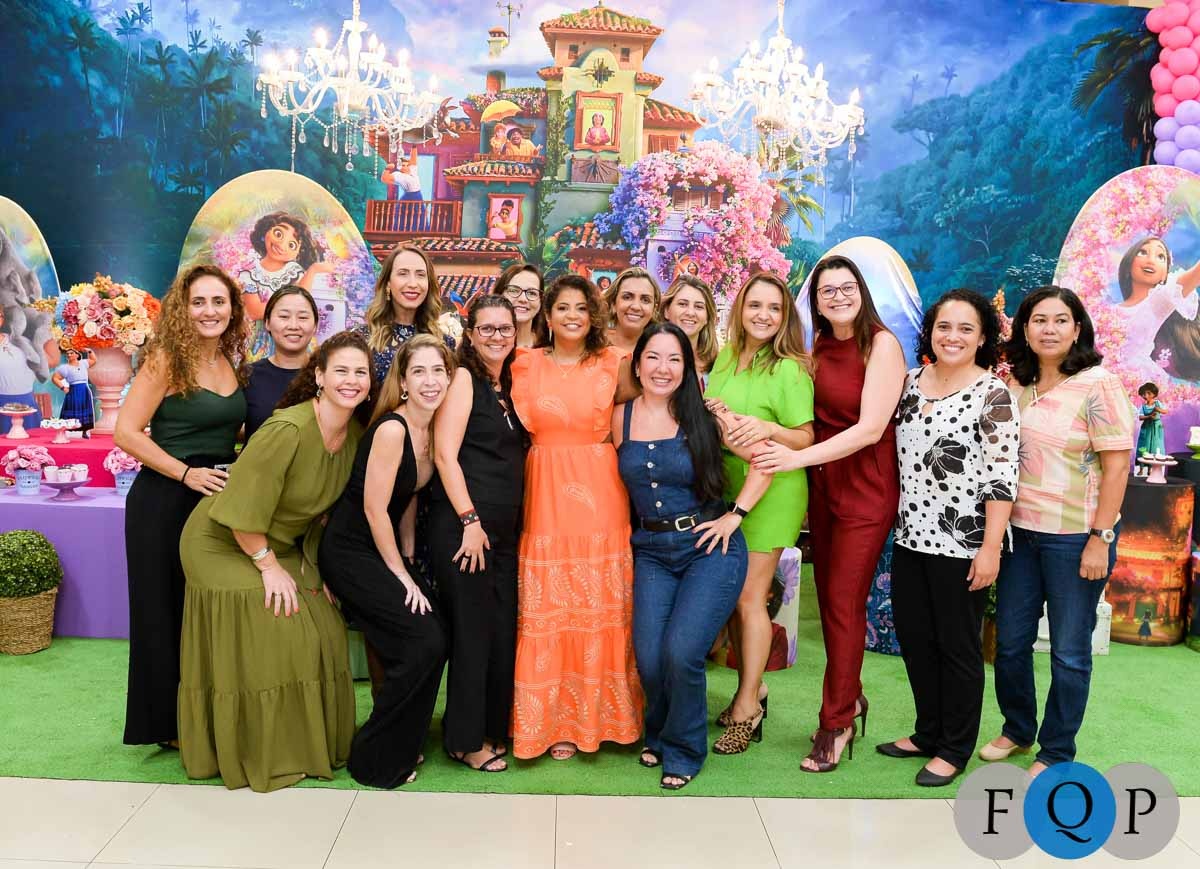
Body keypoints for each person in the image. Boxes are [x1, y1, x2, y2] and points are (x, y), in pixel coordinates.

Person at [177, 331, 373, 791]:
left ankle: (310, 745)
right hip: (223, 541)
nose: (351, 380)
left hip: (283, 544)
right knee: (278, 618)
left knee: (325, 624)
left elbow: (323, 518)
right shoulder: (287, 430)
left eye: (360, 372)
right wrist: (267, 567)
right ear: (319, 376)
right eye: (341, 370)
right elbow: (241, 510)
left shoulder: (354, 436)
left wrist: (317, 571)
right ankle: (265, 752)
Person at [752, 256, 906, 773]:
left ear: (862, 292)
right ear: (814, 301)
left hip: (866, 488)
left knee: (843, 603)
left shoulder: (881, 345)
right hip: (823, 486)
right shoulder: (816, 347)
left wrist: (794, 459)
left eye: (847, 287)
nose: (838, 296)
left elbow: (869, 429)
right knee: (831, 598)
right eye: (827, 290)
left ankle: (835, 722)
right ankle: (851, 697)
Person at [979, 286, 1133, 779]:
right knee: (1010, 644)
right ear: (1024, 329)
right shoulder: (1017, 385)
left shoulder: (1098, 385)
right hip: (1020, 535)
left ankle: (1056, 751)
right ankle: (1018, 729)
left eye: (1060, 320)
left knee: (1068, 652)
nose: (1049, 329)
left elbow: (1117, 468)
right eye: (1039, 320)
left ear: (1077, 328)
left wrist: (1100, 538)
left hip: (1075, 538)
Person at [614, 322, 769, 789]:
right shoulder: (619, 418)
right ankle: (659, 734)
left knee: (682, 652)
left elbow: (764, 460)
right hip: (651, 552)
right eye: (653, 357)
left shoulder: (708, 416)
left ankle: (683, 751)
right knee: (650, 657)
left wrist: (735, 516)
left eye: (674, 359)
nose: (662, 368)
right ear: (637, 364)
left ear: (687, 367)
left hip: (709, 548)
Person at [876, 289, 1019, 788]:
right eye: (943, 326)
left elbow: (1002, 476)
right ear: (930, 332)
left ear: (982, 338)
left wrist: (990, 549)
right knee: (916, 640)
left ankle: (954, 748)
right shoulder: (909, 383)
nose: (952, 336)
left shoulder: (993, 394)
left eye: (965, 328)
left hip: (965, 543)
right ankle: (928, 732)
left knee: (958, 648)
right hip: (910, 537)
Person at [114, 265, 249, 748]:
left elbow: (226, 426)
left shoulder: (232, 359)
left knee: (202, 612)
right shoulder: (165, 359)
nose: (209, 311)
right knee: (162, 611)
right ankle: (165, 726)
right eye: (199, 302)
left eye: (219, 301)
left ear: (233, 309)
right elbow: (126, 432)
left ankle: (201, 715)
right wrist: (186, 473)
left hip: (213, 500)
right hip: (164, 499)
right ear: (182, 309)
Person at [509, 274, 642, 760]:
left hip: (600, 491)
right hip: (544, 491)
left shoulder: (613, 363)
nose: (572, 316)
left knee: (599, 603)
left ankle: (605, 720)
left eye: (581, 308)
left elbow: (648, 408)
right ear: (547, 315)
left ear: (593, 316)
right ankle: (553, 724)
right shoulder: (524, 363)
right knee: (550, 605)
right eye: (562, 307)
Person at [320, 334, 453, 788]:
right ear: (403, 382)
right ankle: (374, 757)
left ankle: (403, 742)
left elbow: (407, 497)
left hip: (385, 548)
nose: (430, 381)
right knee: (424, 642)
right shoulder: (394, 429)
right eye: (419, 372)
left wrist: (410, 557)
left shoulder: (432, 428)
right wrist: (402, 576)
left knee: (436, 637)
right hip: (350, 551)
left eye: (438, 371)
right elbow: (375, 509)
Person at [702, 272, 815, 757]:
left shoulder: (790, 369)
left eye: (774, 307)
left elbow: (806, 436)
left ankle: (748, 704)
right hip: (728, 486)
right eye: (755, 305)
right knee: (730, 598)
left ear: (785, 316)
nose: (763, 315)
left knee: (750, 597)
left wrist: (768, 427)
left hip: (774, 490)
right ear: (740, 310)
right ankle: (755, 688)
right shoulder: (726, 356)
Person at [431, 296, 527, 772]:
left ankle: (490, 727)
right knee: (472, 634)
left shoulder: (509, 382)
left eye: (504, 328)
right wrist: (470, 521)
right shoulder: (464, 379)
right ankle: (465, 741)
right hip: (466, 528)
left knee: (499, 631)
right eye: (486, 328)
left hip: (504, 533)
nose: (496, 336)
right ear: (470, 335)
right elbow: (444, 454)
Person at [237, 211, 333, 359]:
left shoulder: (294, 272)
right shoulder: (249, 274)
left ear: (298, 253)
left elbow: (301, 300)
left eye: (291, 245)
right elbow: (254, 311)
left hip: (293, 337)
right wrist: (288, 303)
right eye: (278, 234)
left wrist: (312, 270)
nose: (282, 245)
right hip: (263, 341)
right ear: (266, 231)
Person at [357, 244, 451, 384]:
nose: (413, 284)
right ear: (388, 283)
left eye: (420, 275)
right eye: (403, 274)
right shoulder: (363, 340)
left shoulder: (444, 343)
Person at [243, 285, 318, 443]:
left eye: (303, 317)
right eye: (284, 316)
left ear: (315, 326)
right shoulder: (247, 375)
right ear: (267, 323)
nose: (293, 325)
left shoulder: (326, 377)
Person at [661, 274, 719, 381]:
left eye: (698, 307)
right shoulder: (648, 359)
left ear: (707, 317)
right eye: (682, 304)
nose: (690, 313)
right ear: (666, 311)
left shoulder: (719, 365)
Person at [0, 307, 46, 432]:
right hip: (1, 405)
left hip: (27, 404)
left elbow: (43, 365)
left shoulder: (22, 341)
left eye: (0, 315)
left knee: (30, 442)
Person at [605, 267, 660, 358]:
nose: (636, 307)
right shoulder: (592, 346)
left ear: (654, 309)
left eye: (645, 300)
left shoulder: (662, 351)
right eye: (627, 297)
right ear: (613, 304)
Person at [492, 262, 544, 349]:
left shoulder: (552, 348)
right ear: (499, 295)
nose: (523, 299)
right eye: (514, 291)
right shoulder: (482, 346)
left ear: (540, 301)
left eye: (532, 293)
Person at [51, 347, 97, 434]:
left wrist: (89, 351)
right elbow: (54, 378)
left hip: (84, 390)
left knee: (84, 408)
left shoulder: (83, 363)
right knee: (74, 407)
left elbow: (94, 360)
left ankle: (84, 431)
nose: (69, 355)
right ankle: (70, 431)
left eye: (71, 353)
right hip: (74, 391)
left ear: (77, 355)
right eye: (67, 354)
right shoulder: (65, 368)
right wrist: (63, 387)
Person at [1136, 382, 1167, 457]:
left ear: (1154, 394)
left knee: (1157, 443)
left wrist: (1158, 409)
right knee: (1145, 443)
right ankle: (1144, 460)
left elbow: (1165, 411)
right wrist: (1149, 416)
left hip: (1156, 426)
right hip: (1146, 427)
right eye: (1144, 394)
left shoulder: (1157, 403)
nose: (1146, 396)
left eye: (1149, 393)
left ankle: (1156, 458)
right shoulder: (1143, 406)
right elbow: (1140, 417)